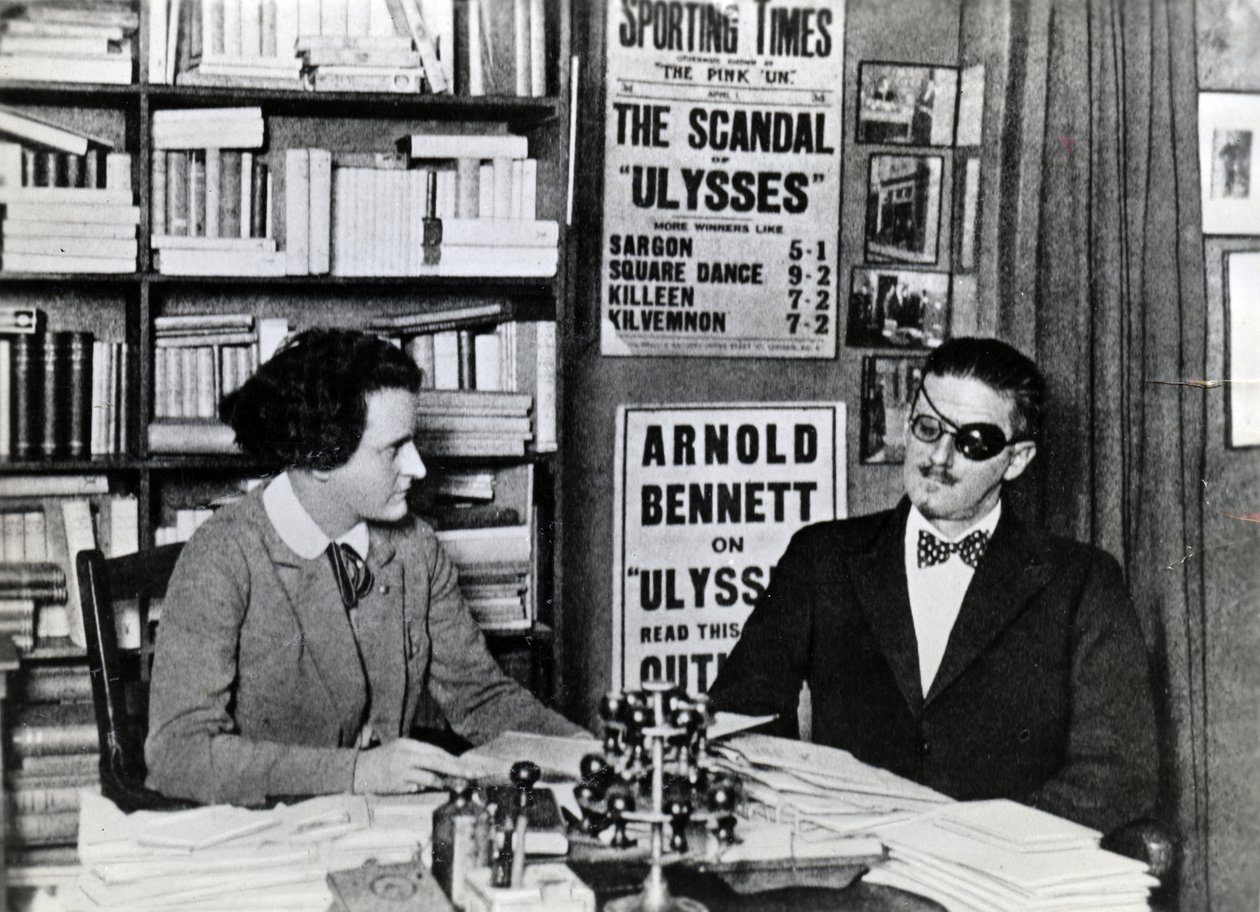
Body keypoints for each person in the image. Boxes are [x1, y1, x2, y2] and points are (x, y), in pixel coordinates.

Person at [709, 337, 1157, 832]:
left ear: (1017, 459)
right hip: (849, 861)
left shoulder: (1084, 583)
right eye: (928, 428)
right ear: (907, 423)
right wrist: (799, 815)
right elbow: (739, 715)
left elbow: (1118, 773)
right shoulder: (821, 558)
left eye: (973, 442)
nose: (939, 456)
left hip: (1000, 869)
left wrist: (978, 839)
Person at [146, 328, 585, 806]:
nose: (417, 467)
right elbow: (178, 755)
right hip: (265, 829)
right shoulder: (221, 556)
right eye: (394, 449)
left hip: (385, 827)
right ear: (321, 460)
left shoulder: (416, 548)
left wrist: (586, 753)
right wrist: (358, 772)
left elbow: (481, 697)